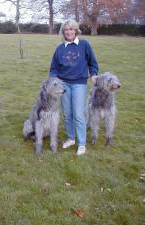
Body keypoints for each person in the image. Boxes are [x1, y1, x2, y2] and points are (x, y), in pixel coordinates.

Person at [49, 19, 98, 156]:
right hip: (64, 85)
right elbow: (54, 68)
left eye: (71, 29)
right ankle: (71, 138)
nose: (69, 32)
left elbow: (93, 63)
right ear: (63, 32)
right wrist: (54, 79)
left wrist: (94, 74)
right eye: (66, 30)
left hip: (79, 83)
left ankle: (81, 143)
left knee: (78, 114)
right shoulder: (60, 49)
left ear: (76, 31)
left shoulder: (84, 45)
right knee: (67, 114)